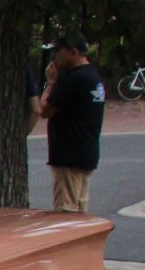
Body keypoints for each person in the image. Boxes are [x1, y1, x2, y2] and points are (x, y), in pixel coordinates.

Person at [37, 33, 106, 213]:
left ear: (73, 52)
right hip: (86, 151)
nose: (54, 56)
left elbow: (44, 110)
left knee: (66, 210)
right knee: (80, 209)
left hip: (69, 155)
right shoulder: (93, 76)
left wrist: (51, 82)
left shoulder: (73, 79)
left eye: (58, 51)